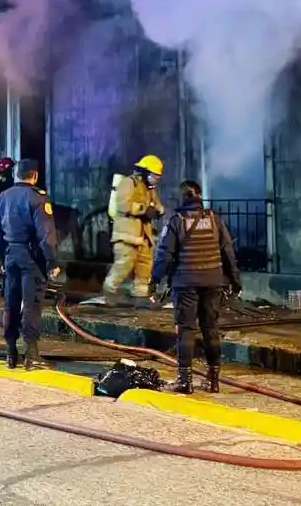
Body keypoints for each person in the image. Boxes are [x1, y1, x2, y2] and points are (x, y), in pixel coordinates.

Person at [150, 180, 242, 394]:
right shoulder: (214, 220)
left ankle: (185, 381)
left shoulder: (177, 221)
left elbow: (164, 256)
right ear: (199, 196)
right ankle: (213, 381)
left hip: (186, 284)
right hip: (213, 283)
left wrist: (154, 281)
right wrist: (235, 282)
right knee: (211, 330)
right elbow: (228, 253)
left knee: (186, 331)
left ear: (182, 198)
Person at [0, 159, 59, 370]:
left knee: (10, 302)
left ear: (16, 175)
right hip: (32, 258)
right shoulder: (38, 198)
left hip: (10, 256)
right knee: (31, 303)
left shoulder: (3, 197)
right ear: (34, 176)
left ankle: (11, 352)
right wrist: (52, 261)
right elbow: (46, 234)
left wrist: (2, 258)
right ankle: (31, 353)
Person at [102, 154, 166, 303]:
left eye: (158, 177)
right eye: (154, 176)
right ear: (144, 171)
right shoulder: (128, 183)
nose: (156, 179)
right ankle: (109, 293)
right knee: (124, 264)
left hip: (144, 235)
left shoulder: (149, 189)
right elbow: (123, 205)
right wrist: (144, 209)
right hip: (127, 235)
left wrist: (159, 210)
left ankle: (140, 297)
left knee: (145, 266)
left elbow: (157, 205)